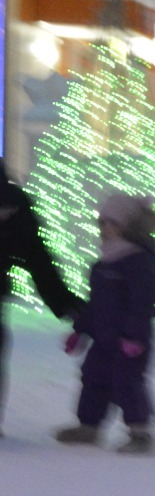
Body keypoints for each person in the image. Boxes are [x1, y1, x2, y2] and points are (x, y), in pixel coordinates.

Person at [54, 193, 155, 455]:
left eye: (112, 223)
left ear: (129, 226)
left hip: (129, 340)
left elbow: (142, 303)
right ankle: (88, 426)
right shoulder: (103, 263)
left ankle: (141, 433)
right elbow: (95, 304)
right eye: (102, 223)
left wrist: (135, 336)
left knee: (127, 382)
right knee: (93, 378)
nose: (106, 228)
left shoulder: (139, 261)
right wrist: (80, 330)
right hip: (103, 338)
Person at [0, 164, 83, 437]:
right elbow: (37, 257)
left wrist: (64, 302)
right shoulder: (12, 201)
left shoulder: (12, 202)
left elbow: (36, 257)